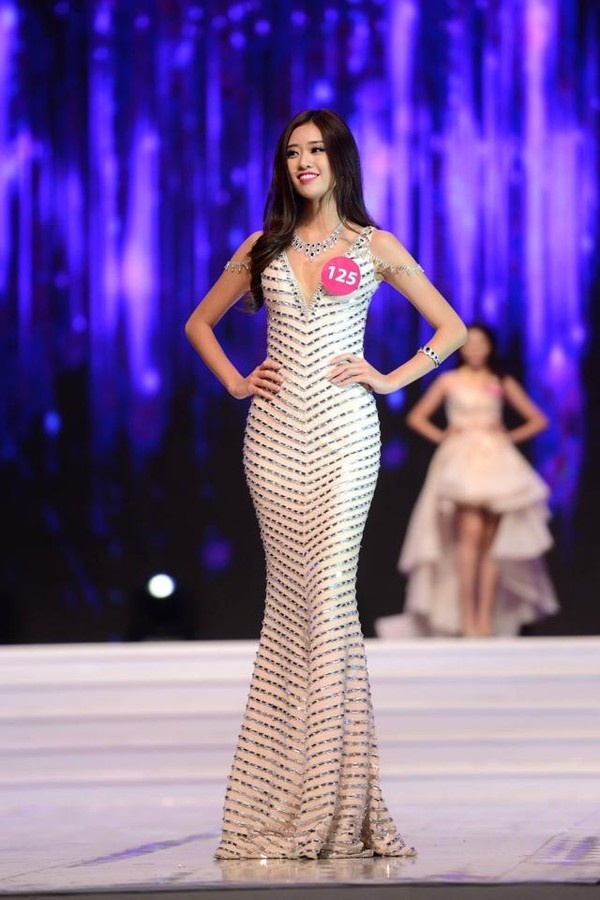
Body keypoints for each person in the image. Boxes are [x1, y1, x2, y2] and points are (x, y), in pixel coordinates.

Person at [185, 108, 466, 860]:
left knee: (332, 601)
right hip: (273, 438)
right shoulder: (263, 246)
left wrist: (391, 377)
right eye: (292, 152)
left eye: (315, 149)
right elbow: (198, 324)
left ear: (340, 158)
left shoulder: (376, 247)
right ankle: (285, 792)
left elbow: (451, 328)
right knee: (290, 607)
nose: (304, 161)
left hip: (344, 436)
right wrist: (237, 382)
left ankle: (337, 803)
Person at [387, 323, 558, 639]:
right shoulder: (449, 380)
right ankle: (467, 618)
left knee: (493, 542)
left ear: (490, 347)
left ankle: (484, 619)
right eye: (470, 343)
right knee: (468, 538)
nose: (476, 348)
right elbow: (416, 417)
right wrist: (445, 436)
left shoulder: (499, 380)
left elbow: (538, 420)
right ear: (461, 347)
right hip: (462, 462)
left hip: (497, 463)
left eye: (481, 343)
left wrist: (506, 435)